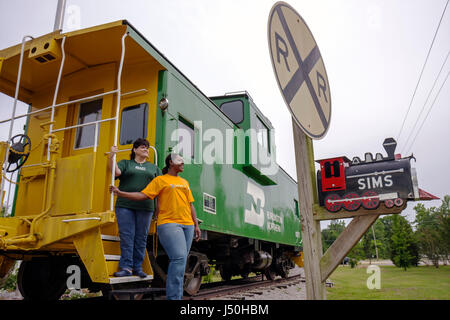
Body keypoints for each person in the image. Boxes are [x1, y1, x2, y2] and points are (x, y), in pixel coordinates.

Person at [110, 153, 201, 300]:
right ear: (171, 163)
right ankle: (173, 297)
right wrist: (121, 193)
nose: (183, 163)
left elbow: (190, 205)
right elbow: (143, 195)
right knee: (178, 258)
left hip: (188, 225)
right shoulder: (160, 180)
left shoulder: (184, 182)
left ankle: (175, 295)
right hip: (170, 223)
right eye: (179, 160)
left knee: (181, 261)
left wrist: (196, 225)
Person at [108, 138, 162, 278]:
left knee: (141, 237)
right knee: (127, 236)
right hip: (125, 205)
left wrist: (158, 209)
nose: (146, 149)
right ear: (135, 150)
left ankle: (137, 267)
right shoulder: (126, 163)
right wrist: (111, 156)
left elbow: (160, 189)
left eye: (147, 148)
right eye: (143, 147)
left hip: (146, 207)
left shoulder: (154, 168)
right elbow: (116, 172)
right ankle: (126, 267)